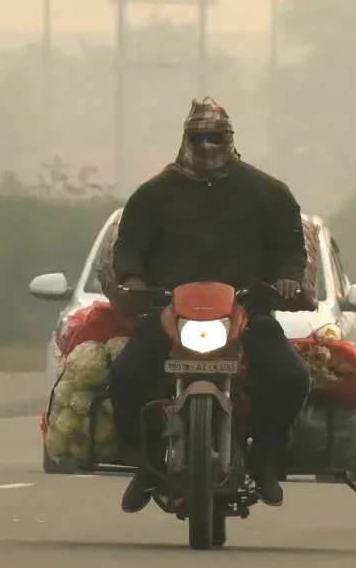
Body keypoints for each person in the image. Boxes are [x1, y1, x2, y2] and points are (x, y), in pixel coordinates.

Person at [108, 97, 312, 513]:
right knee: (125, 375)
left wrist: (287, 280)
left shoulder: (267, 192)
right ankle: (146, 465)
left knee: (293, 378)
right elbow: (129, 248)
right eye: (198, 138)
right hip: (170, 313)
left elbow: (291, 247)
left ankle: (265, 456)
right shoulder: (153, 194)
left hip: (246, 311)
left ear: (230, 138)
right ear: (185, 138)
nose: (206, 147)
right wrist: (131, 280)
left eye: (214, 137)